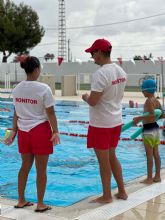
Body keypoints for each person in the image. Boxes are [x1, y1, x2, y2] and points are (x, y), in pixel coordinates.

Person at [5, 56, 60, 212]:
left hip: (23, 132)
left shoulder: (17, 88)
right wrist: (56, 131)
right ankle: (40, 204)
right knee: (41, 170)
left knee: (25, 166)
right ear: (36, 69)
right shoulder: (43, 88)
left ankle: (21, 200)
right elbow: (50, 112)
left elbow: (16, 112)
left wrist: (13, 131)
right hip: (40, 131)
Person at [82, 38, 128, 203]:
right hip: (116, 121)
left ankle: (107, 196)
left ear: (100, 52)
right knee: (112, 156)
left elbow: (93, 101)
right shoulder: (120, 71)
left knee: (103, 161)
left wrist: (85, 97)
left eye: (93, 53)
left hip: (101, 123)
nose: (92, 56)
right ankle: (122, 191)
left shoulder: (100, 73)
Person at [133, 79, 163, 184]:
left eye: (143, 90)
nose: (142, 92)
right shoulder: (156, 100)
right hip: (155, 128)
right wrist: (155, 117)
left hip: (148, 129)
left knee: (149, 154)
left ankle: (149, 178)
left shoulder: (148, 101)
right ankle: (157, 176)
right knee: (156, 153)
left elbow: (151, 114)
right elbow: (162, 114)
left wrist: (139, 118)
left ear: (146, 90)